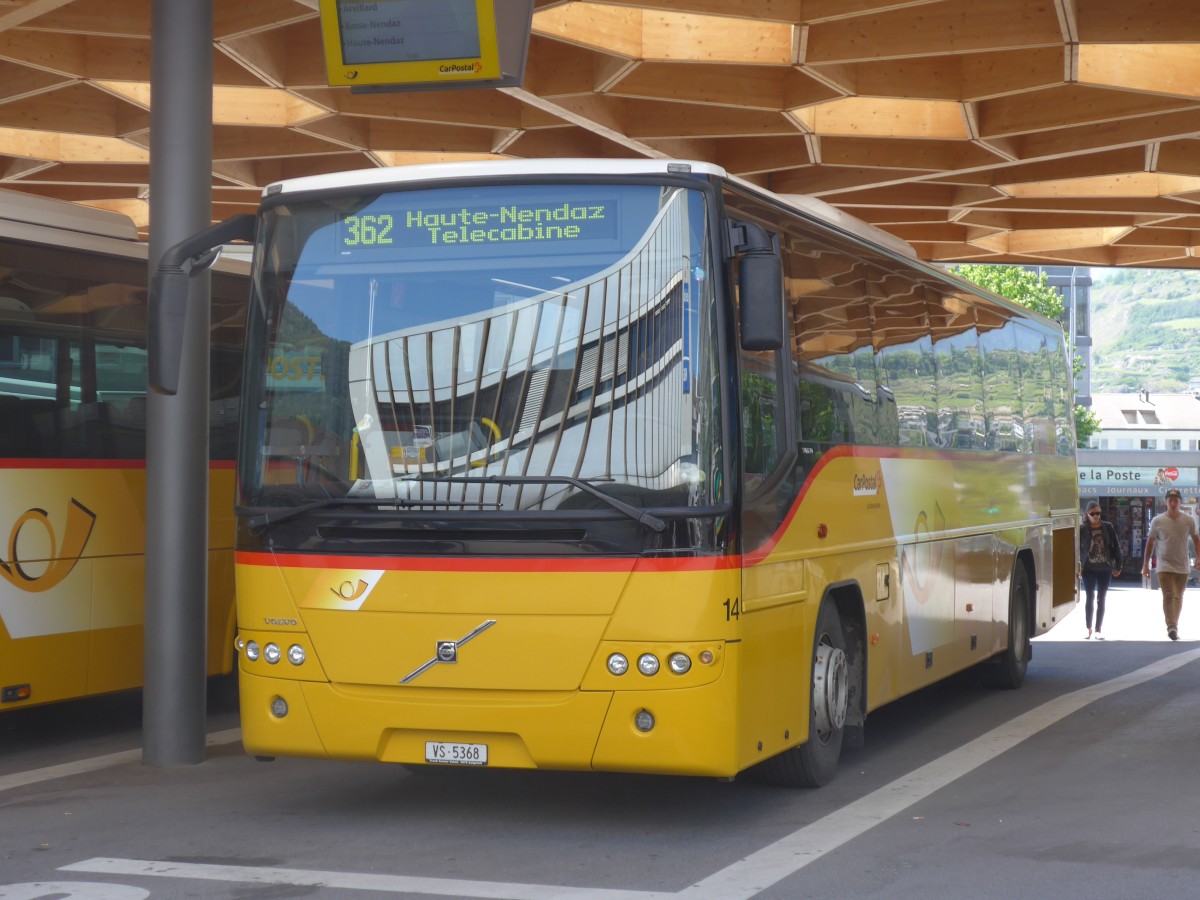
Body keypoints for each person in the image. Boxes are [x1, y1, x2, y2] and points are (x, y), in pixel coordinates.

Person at [1141, 488, 1200, 640]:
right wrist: (1146, 564)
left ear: (1180, 502)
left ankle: (1175, 624)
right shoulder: (1157, 521)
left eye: (1176, 501)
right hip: (1164, 565)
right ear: (1166, 502)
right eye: (1170, 501)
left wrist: (1199, 558)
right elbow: (1150, 543)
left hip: (1183, 565)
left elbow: (1196, 540)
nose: (1173, 503)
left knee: (1178, 596)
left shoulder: (1188, 520)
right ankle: (1171, 627)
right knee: (1168, 595)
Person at [1079, 501, 1121, 639]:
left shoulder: (1107, 527)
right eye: (1093, 514)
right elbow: (1077, 549)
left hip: (1105, 568)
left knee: (1101, 598)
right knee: (1089, 597)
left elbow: (1116, 546)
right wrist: (1077, 567)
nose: (1096, 516)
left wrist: (1118, 566)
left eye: (1098, 513)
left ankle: (1098, 629)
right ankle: (1088, 628)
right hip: (1088, 568)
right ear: (1087, 514)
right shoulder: (1083, 529)